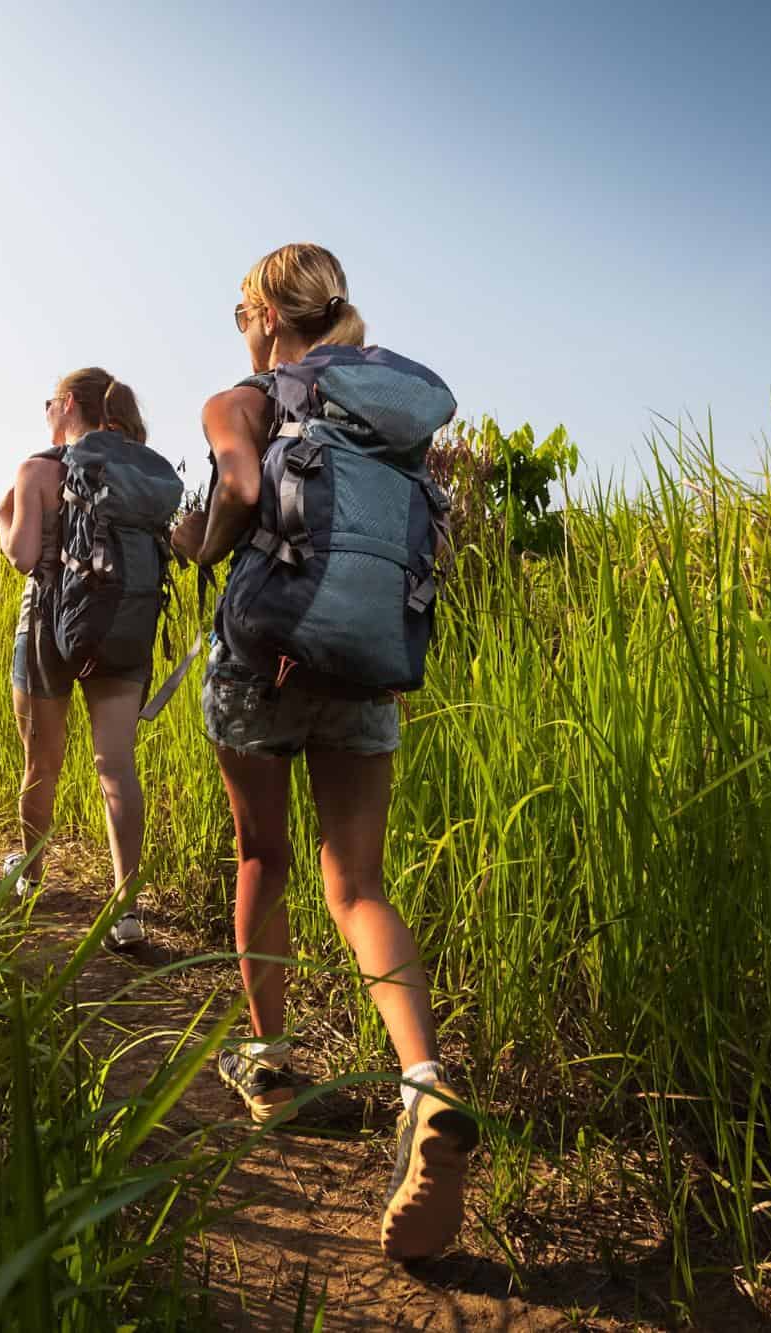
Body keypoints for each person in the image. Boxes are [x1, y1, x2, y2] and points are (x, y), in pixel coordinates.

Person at [170, 244, 477, 1261]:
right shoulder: (384, 411)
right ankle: (424, 1083)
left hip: (263, 661)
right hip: (364, 664)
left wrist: (195, 542)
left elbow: (241, 490)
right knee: (360, 886)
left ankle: (268, 1067)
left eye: (238, 308)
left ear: (264, 311)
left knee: (263, 857)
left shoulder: (244, 397)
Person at [0, 367, 178, 953]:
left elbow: (24, 557)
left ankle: (29, 872)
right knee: (116, 766)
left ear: (68, 404)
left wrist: (5, 520)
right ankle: (126, 912)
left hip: (49, 626)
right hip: (121, 626)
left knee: (42, 761)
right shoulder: (134, 473)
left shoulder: (38, 470)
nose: (46, 412)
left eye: (49, 402)